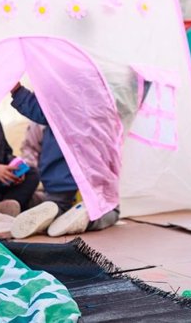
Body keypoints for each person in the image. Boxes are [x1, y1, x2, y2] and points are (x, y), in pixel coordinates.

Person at [8, 83, 120, 239]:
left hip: (57, 179)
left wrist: (18, 91)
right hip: (94, 180)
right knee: (111, 210)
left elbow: (36, 108)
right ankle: (87, 220)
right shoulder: (102, 108)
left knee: (57, 205)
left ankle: (52, 216)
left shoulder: (56, 108)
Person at [0, 118, 40, 217]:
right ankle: (1, 206)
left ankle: (8, 206)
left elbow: (7, 152)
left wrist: (15, 167)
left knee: (32, 174)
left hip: (0, 182)